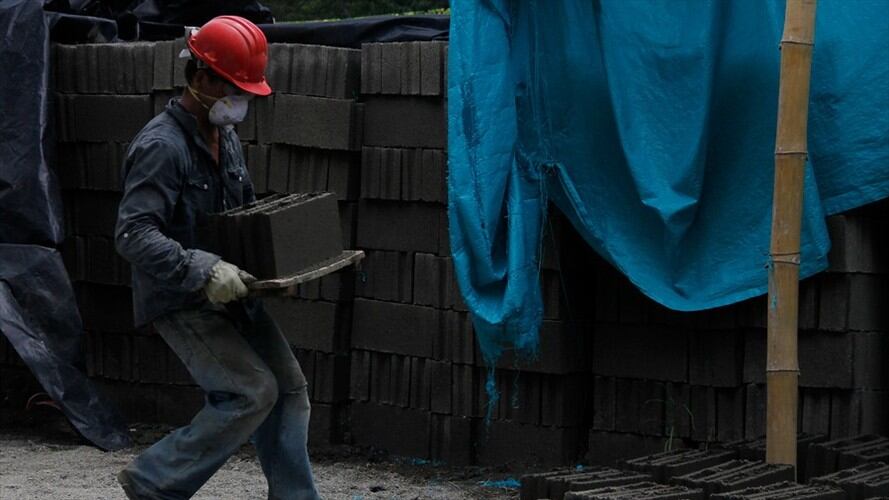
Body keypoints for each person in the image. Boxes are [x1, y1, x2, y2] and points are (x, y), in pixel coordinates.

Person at [114, 16, 320, 499]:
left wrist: (276, 269)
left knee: (289, 390)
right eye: (234, 88)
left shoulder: (223, 135)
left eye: (246, 91)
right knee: (251, 392)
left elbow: (240, 215)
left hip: (233, 293)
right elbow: (133, 233)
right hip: (181, 297)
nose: (241, 101)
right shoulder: (161, 147)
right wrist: (203, 269)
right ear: (201, 77)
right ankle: (153, 482)